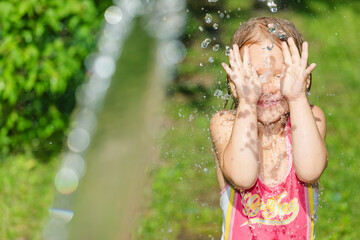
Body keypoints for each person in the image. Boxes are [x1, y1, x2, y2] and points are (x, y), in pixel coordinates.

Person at [209, 17, 328, 239]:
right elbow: (243, 177)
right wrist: (247, 103)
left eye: (280, 75)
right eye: (254, 75)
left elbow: (310, 171)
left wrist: (296, 96)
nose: (267, 87)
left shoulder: (310, 118)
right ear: (235, 84)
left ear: (304, 78)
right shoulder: (225, 124)